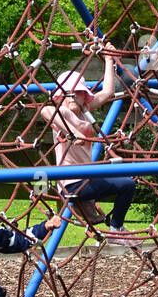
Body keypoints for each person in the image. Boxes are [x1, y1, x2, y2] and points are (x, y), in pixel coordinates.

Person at [40, 48, 136, 239]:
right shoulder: (63, 113)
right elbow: (45, 110)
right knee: (126, 184)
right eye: (67, 94)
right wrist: (73, 132)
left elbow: (108, 92)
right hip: (72, 182)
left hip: (87, 178)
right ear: (59, 97)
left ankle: (115, 225)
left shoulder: (85, 111)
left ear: (85, 96)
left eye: (78, 92)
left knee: (128, 183)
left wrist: (109, 60)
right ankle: (116, 228)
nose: (72, 96)